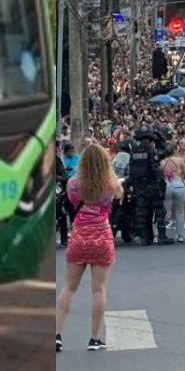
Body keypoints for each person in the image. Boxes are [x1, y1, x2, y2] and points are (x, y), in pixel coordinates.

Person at [56, 144, 123, 351]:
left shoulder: (73, 183)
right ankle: (94, 338)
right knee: (98, 290)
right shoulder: (110, 184)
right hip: (101, 235)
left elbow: (72, 201)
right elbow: (120, 195)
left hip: (78, 236)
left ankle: (57, 334)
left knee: (69, 287)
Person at [162, 143, 185, 242]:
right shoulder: (180, 160)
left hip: (167, 186)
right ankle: (180, 235)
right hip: (179, 185)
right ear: (174, 151)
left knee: (165, 211)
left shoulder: (162, 162)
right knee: (180, 211)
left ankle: (161, 233)